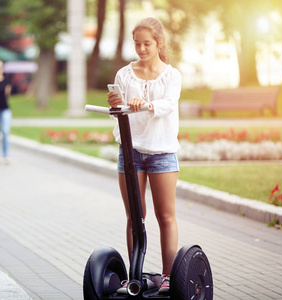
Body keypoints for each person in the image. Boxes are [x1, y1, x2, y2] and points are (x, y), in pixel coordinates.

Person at [107, 17, 181, 295]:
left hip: (161, 152)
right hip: (131, 152)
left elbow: (167, 105)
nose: (141, 49)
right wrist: (115, 104)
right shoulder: (124, 75)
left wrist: (146, 104)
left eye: (147, 44)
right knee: (135, 216)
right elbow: (119, 112)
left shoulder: (172, 75)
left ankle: (169, 277)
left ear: (159, 43)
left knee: (165, 216)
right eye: (137, 44)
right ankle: (133, 277)